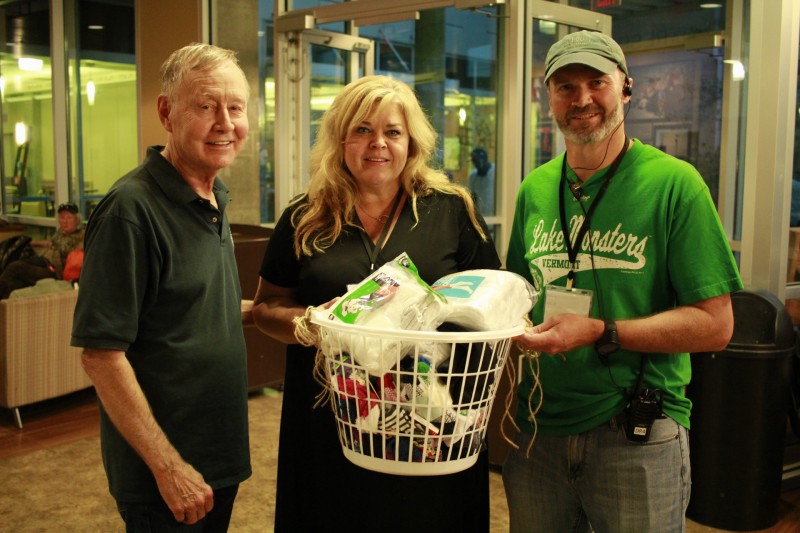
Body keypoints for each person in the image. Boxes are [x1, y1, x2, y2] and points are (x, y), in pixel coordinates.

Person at [503, 31, 743, 533]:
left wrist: (601, 330)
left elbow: (715, 326)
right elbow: (515, 299)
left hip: (636, 431)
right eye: (565, 86)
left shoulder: (676, 184)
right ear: (546, 97)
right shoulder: (535, 188)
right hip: (538, 429)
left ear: (626, 89)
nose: (582, 98)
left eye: (597, 82)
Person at [252, 74, 500, 532]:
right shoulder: (304, 216)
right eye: (362, 129)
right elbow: (267, 306)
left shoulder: (452, 211)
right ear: (340, 139)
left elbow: (491, 303)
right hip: (331, 415)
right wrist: (308, 324)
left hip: (431, 418)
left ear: (412, 142)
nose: (377, 144)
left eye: (392, 131)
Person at [70, 43, 251, 531]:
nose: (225, 122)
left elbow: (192, 308)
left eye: (235, 107)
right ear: (167, 112)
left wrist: (309, 317)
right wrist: (168, 468)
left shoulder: (212, 197)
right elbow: (101, 354)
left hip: (218, 452)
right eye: (206, 105)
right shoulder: (130, 210)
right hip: (167, 470)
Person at [0, 202, 85, 298]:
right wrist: (33, 243)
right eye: (62, 218)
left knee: (16, 267)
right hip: (42, 262)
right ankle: (7, 307)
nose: (65, 221)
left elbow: (75, 259)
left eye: (69, 218)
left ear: (77, 220)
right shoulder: (61, 233)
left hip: (54, 272)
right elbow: (50, 243)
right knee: (15, 281)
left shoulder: (81, 237)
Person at [468, 147, 496, 216]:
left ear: (483, 160)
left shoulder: (496, 172)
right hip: (481, 215)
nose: (476, 164)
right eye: (474, 162)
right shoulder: (473, 176)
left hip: (495, 215)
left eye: (477, 161)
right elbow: (472, 196)